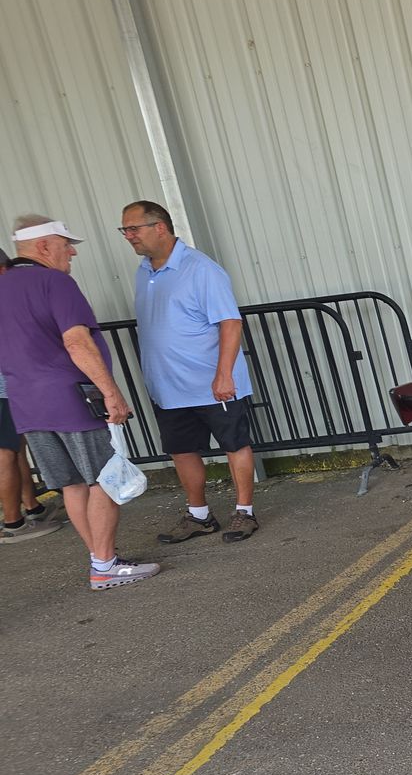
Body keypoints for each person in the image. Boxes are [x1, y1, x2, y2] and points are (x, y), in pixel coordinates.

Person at [0, 216, 158, 589]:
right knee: (103, 479)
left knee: (70, 485)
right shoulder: (55, 282)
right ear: (43, 247)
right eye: (65, 244)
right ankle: (104, 565)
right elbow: (76, 342)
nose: (71, 252)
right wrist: (111, 391)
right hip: (69, 396)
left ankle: (101, 559)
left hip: (25, 403)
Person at [120, 200, 257, 544]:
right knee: (181, 450)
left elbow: (229, 322)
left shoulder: (201, 269)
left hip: (211, 383)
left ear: (160, 227)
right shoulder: (144, 271)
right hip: (169, 386)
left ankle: (244, 512)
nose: (128, 236)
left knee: (234, 444)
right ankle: (199, 515)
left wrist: (224, 374)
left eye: (133, 228)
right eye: (125, 230)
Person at [0, 249, 66, 544]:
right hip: (5, 388)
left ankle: (33, 507)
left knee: (17, 448)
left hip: (12, 388)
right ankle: (13, 522)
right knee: (6, 454)